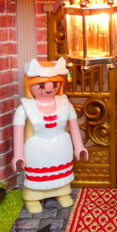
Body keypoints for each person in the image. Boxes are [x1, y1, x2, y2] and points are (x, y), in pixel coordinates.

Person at [12, 58, 88, 213]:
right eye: (42, 85)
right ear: (30, 85)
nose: (48, 88)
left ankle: (62, 192)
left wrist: (79, 146)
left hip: (61, 146)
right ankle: (33, 196)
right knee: (38, 174)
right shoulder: (24, 108)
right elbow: (18, 132)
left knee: (61, 172)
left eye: (54, 84)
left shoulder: (65, 104)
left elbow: (74, 126)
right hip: (36, 149)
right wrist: (18, 154)